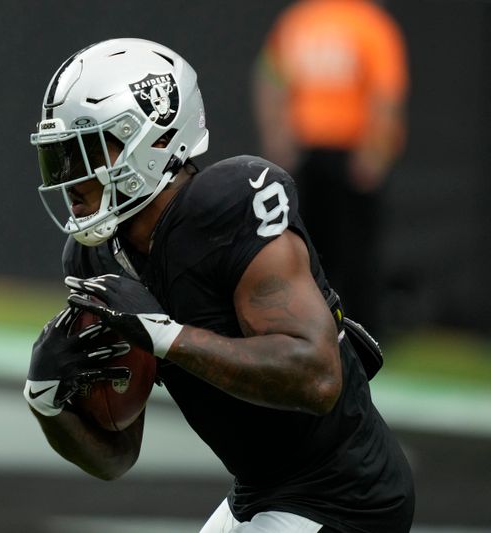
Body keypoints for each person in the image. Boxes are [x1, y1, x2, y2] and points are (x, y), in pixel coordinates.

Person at [24, 38, 414, 532]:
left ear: (153, 140)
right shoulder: (94, 255)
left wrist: (164, 335)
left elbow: (316, 376)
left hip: (345, 494)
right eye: (59, 157)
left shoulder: (229, 204)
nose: (70, 178)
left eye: (87, 152)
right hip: (258, 491)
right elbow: (116, 457)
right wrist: (46, 402)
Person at [252, 0, 409, 335]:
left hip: (320, 152)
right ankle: (356, 332)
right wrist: (377, 152)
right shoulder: (369, 23)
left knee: (309, 249)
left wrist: (276, 135)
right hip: (343, 152)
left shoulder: (301, 20)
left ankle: (310, 327)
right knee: (350, 253)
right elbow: (386, 94)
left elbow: (268, 78)